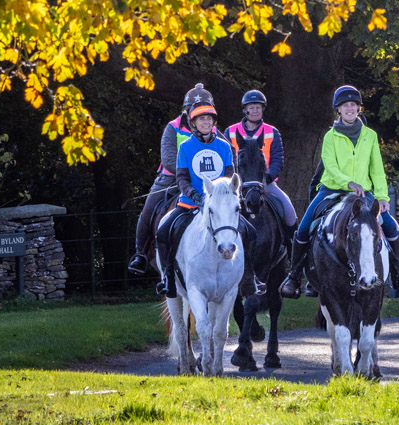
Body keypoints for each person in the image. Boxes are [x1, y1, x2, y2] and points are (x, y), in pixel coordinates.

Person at [279, 85, 399, 297]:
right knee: (305, 226)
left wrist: (382, 196)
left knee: (391, 225)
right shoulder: (330, 136)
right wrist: (349, 182)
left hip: (364, 194)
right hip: (331, 190)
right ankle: (295, 276)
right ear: (339, 110)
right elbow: (330, 167)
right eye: (345, 106)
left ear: (359, 109)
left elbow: (377, 169)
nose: (350, 109)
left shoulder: (370, 136)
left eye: (353, 105)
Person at [154, 101, 237, 297]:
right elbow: (181, 177)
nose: (206, 122)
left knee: (248, 231)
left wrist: (218, 197)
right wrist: (195, 195)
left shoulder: (224, 147)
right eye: (202, 119)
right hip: (190, 203)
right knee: (163, 233)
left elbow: (229, 174)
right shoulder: (185, 147)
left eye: (209, 119)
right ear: (194, 124)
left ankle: (249, 278)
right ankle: (168, 279)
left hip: (219, 205)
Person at [127, 84, 210, 275]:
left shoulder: (213, 131)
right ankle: (140, 254)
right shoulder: (173, 128)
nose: (197, 112)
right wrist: (188, 174)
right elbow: (168, 158)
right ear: (186, 109)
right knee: (148, 211)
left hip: (204, 183)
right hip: (170, 179)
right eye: (193, 108)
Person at [225, 89, 297, 231]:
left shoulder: (272, 132)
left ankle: (292, 248)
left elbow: (277, 159)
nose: (255, 111)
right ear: (245, 110)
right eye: (251, 107)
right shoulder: (230, 131)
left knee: (290, 214)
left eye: (258, 107)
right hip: (237, 184)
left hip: (265, 183)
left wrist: (267, 177)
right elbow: (227, 158)